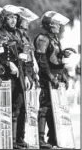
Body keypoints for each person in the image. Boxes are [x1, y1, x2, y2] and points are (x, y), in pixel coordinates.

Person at [34, 11, 73, 149]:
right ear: (49, 24)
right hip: (47, 77)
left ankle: (53, 138)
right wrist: (50, 77)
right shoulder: (42, 39)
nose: (58, 26)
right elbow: (42, 60)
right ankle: (40, 140)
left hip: (57, 76)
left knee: (54, 108)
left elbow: (58, 59)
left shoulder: (55, 39)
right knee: (44, 108)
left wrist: (63, 75)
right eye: (56, 24)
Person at [0, 5, 29, 149]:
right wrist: (8, 63)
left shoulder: (19, 34)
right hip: (5, 76)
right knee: (7, 108)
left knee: (20, 107)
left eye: (15, 17)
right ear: (4, 18)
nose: (13, 20)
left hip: (19, 74)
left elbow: (24, 54)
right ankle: (10, 141)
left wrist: (26, 74)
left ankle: (19, 138)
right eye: (10, 17)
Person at [15, 6, 40, 147]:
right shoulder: (18, 35)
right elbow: (22, 58)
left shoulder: (25, 36)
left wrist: (33, 73)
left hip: (29, 73)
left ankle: (21, 138)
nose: (27, 23)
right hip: (22, 73)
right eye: (25, 20)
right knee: (18, 106)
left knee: (25, 108)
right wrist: (25, 74)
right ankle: (16, 139)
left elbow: (30, 56)